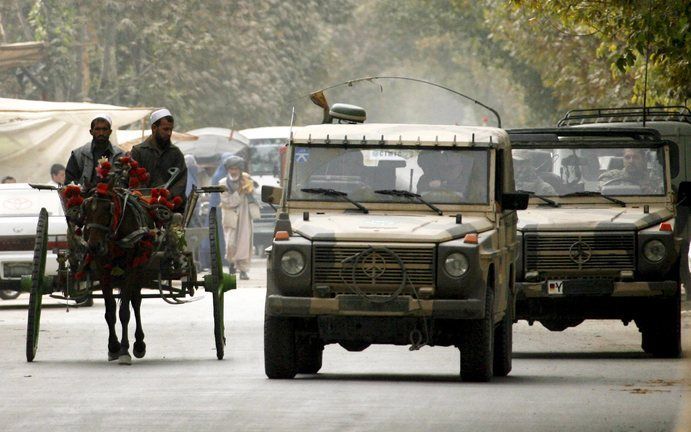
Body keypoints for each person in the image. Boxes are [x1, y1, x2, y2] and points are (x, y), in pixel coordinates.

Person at [130, 108, 187, 210]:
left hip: (169, 207)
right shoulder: (138, 151)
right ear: (154, 128)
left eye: (171, 129)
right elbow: (133, 180)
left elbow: (181, 182)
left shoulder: (176, 153)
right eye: (165, 129)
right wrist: (145, 196)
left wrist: (169, 194)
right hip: (142, 206)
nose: (169, 133)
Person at [217, 155, 256, 280]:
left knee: (244, 242)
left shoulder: (246, 179)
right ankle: (231, 263)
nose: (233, 172)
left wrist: (249, 187)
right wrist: (239, 191)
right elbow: (228, 202)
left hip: (244, 215)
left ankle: (243, 270)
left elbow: (252, 192)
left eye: (236, 169)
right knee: (231, 243)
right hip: (229, 215)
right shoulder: (222, 183)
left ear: (240, 169)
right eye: (231, 169)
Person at [65, 113, 125, 187]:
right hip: (84, 197)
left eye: (104, 129)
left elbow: (125, 182)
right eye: (97, 129)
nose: (101, 133)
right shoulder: (78, 154)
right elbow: (69, 182)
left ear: (110, 132)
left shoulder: (120, 155)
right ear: (91, 132)